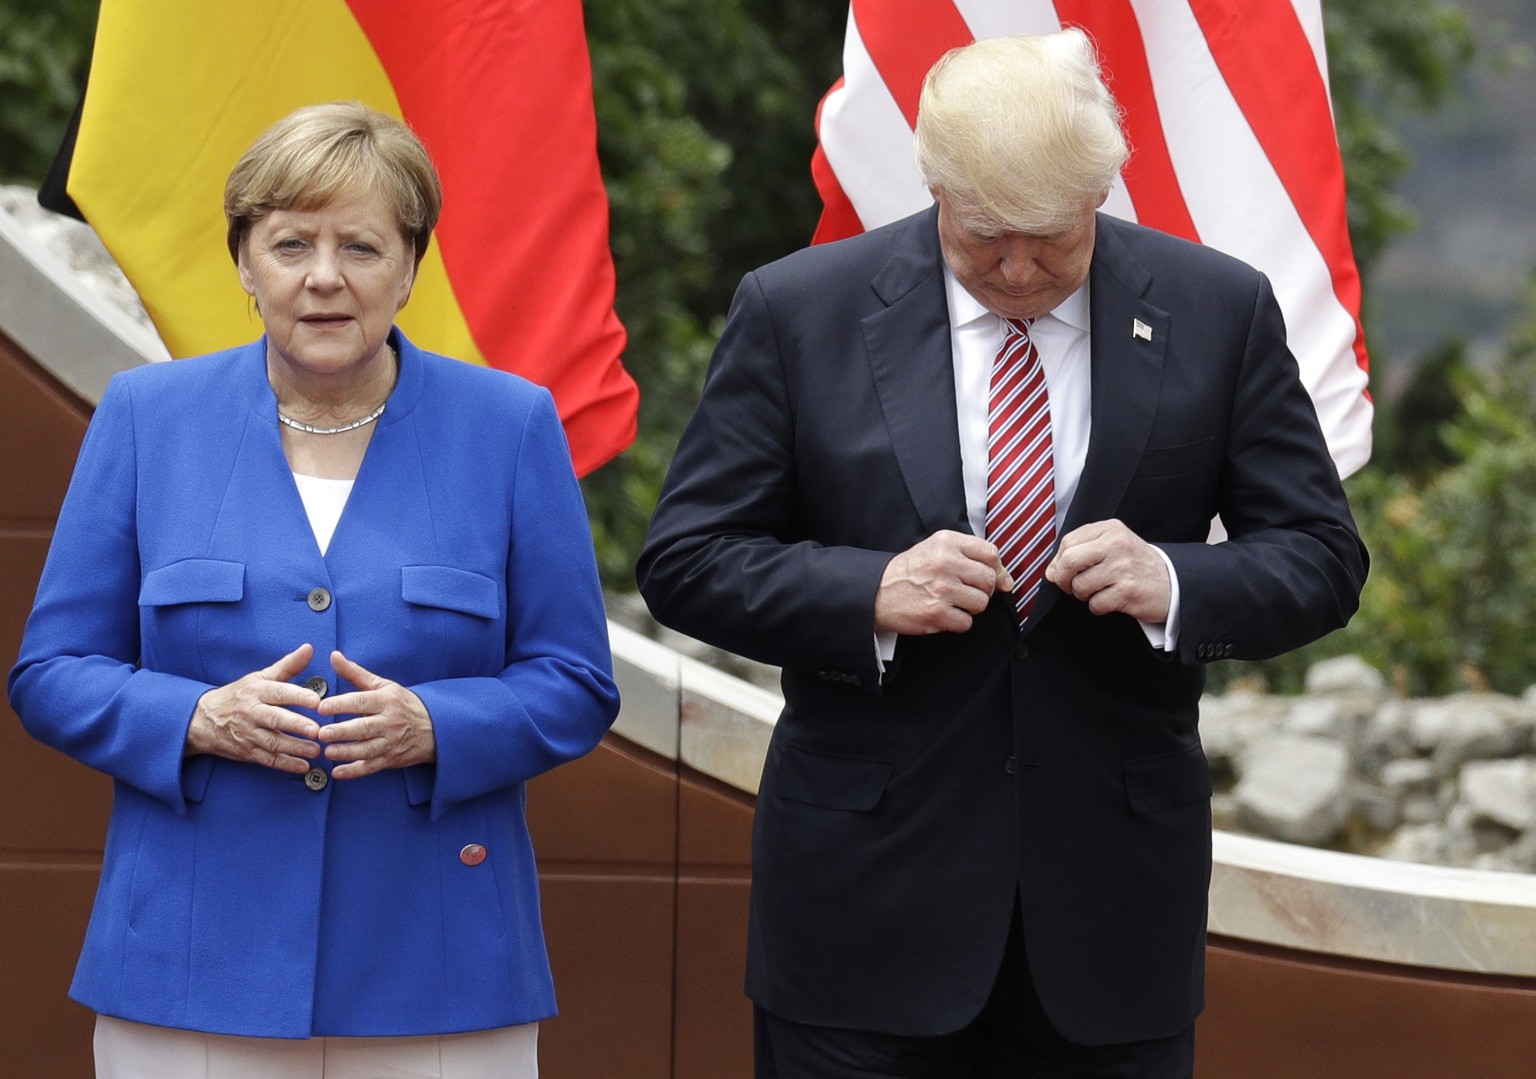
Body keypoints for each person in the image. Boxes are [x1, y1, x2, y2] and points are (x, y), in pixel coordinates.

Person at [637, 30, 1367, 1079]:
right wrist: (868, 591)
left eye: (1053, 239)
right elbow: (687, 555)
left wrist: (1175, 582)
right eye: (984, 238)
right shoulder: (799, 311)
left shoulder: (1219, 308)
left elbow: (1322, 554)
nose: (1020, 268)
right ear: (935, 189)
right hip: (861, 918)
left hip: (1112, 922)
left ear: (1103, 194)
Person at [8, 102, 619, 1078]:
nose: (324, 275)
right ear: (246, 263)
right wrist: (198, 713)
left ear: (410, 266)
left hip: (441, 966)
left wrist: (437, 722)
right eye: (291, 242)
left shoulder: (508, 426)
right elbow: (51, 672)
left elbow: (576, 681)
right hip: (191, 961)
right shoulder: (146, 419)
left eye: (362, 245)